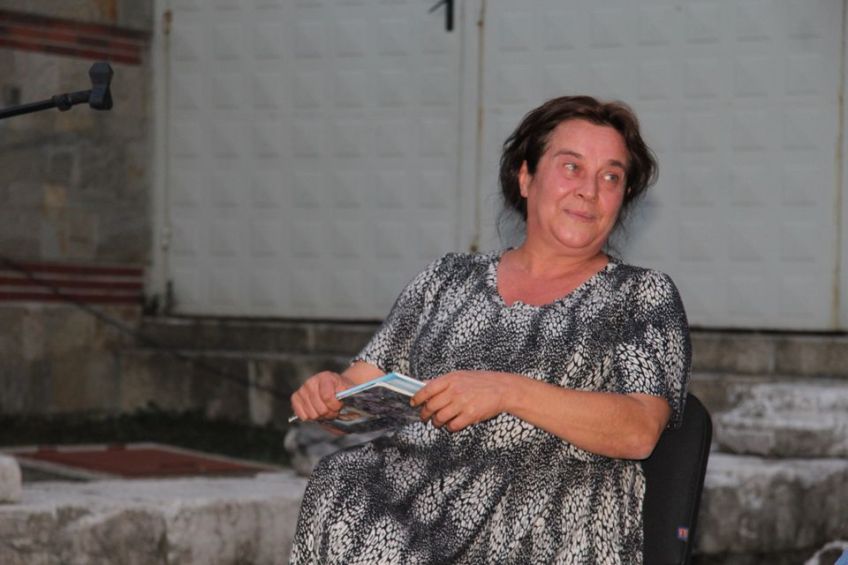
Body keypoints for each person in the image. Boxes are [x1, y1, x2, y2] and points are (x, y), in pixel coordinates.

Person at [288, 95, 690, 564]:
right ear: (526, 177)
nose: (589, 190)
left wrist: (507, 391)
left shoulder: (640, 296)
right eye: (572, 167)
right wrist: (329, 396)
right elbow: (359, 398)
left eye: (611, 177)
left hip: (546, 524)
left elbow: (639, 429)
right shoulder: (446, 279)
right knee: (340, 483)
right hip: (417, 510)